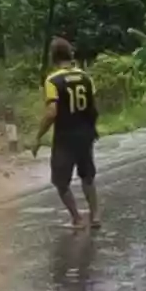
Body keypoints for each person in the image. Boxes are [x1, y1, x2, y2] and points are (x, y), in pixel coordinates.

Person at [31, 37, 101, 230]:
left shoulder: (53, 80)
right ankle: (95, 216)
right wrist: (91, 128)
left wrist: (38, 136)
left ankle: (77, 218)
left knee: (61, 181)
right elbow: (94, 107)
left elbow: (52, 112)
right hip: (85, 133)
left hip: (65, 137)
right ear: (70, 54)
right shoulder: (86, 77)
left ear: (53, 57)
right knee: (87, 176)